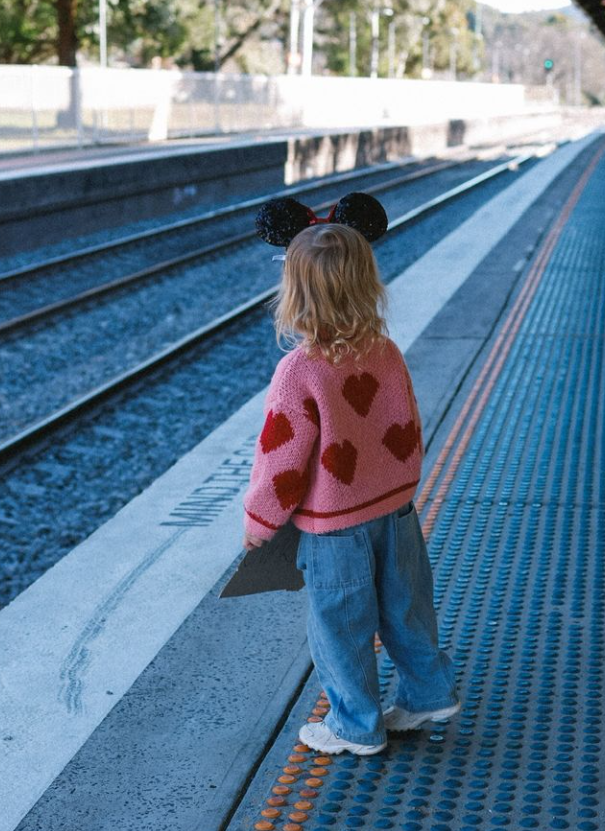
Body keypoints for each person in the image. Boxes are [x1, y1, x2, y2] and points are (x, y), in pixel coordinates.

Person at [242, 220, 460, 755]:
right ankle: (429, 694)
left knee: (341, 628)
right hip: (396, 513)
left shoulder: (298, 372)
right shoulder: (385, 350)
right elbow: (407, 426)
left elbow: (281, 460)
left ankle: (356, 726)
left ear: (294, 295)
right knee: (407, 609)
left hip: (335, 531)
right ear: (368, 284)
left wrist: (260, 521)